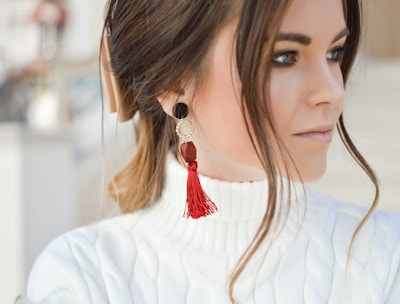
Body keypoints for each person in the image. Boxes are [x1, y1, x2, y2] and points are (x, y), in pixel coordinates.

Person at [26, 0, 400, 303]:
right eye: (285, 57)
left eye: (335, 52)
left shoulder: (384, 258)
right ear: (173, 83)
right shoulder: (85, 277)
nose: (334, 91)